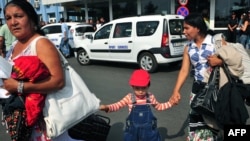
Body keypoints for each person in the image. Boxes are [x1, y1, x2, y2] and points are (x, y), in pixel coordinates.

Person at [1, 1, 81, 140]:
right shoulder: (14, 45)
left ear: (31, 18)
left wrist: (19, 87)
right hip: (24, 119)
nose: (13, 22)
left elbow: (58, 82)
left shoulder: (41, 43)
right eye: (8, 18)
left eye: (18, 16)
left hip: (46, 121)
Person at [168, 13, 243, 140]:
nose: (183, 31)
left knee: (215, 122)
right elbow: (184, 70)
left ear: (197, 28)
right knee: (197, 123)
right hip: (197, 90)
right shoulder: (188, 48)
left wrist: (219, 61)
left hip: (216, 89)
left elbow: (234, 59)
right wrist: (176, 91)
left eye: (187, 28)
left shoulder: (216, 41)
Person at [99, 69, 172, 141]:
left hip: (148, 132)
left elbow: (159, 107)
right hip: (132, 131)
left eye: (143, 88)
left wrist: (170, 103)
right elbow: (117, 105)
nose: (140, 91)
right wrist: (107, 107)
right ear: (132, 86)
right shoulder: (129, 97)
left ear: (148, 86)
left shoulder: (150, 97)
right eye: (137, 88)